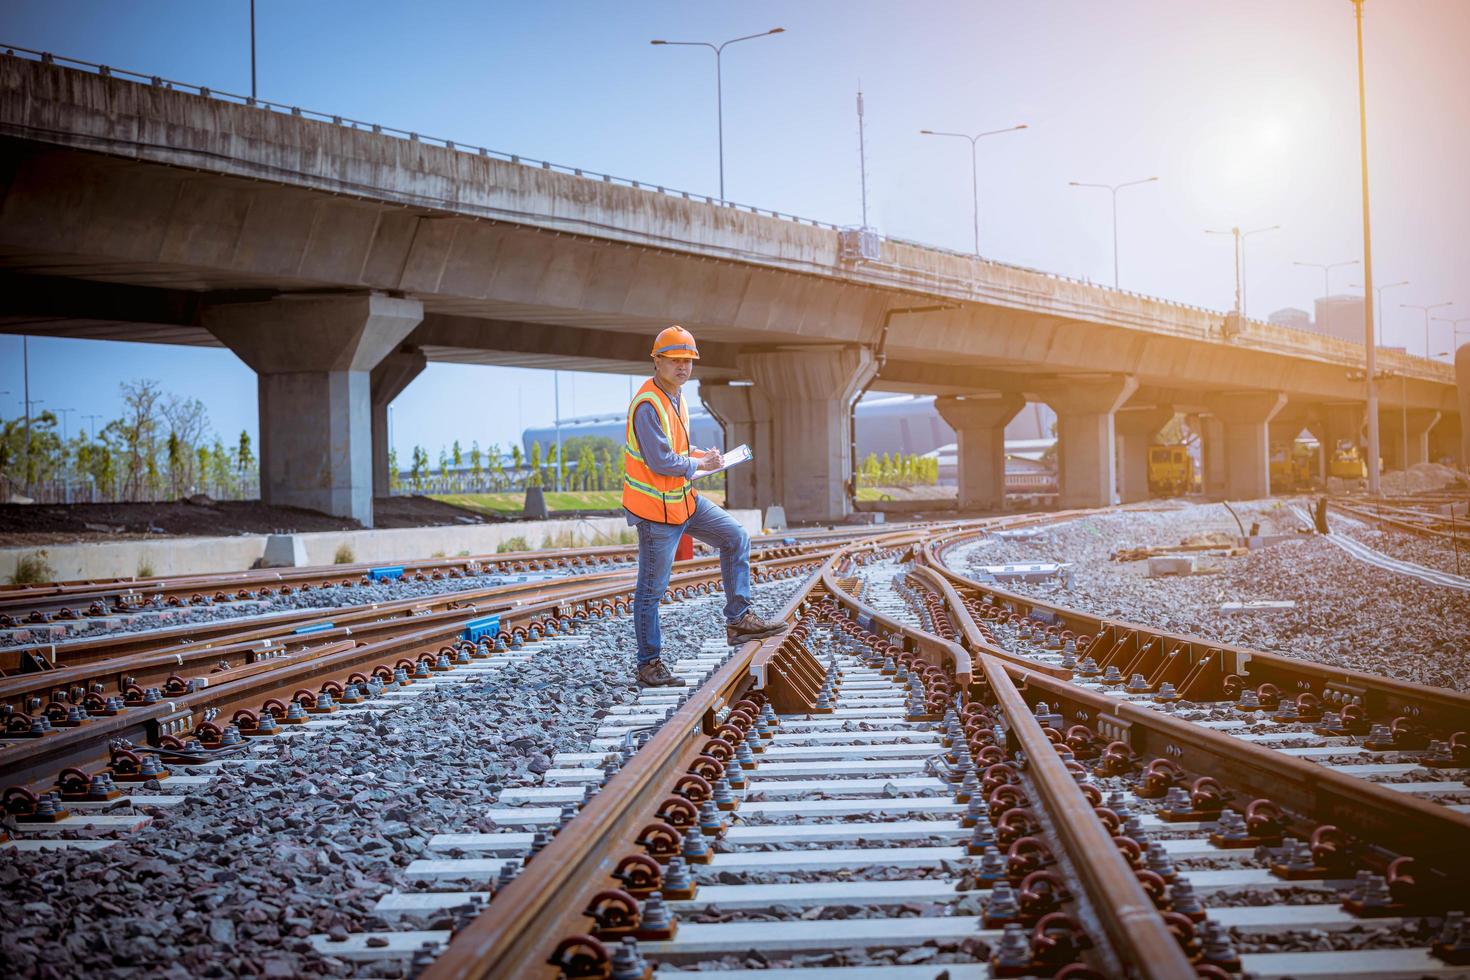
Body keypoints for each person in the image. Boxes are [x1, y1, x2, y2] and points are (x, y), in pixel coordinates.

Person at [623, 325, 787, 687]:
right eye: (676, 360)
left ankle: (739, 620)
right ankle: (649, 664)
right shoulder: (648, 404)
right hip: (655, 512)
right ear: (657, 361)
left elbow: (678, 450)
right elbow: (661, 462)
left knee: (735, 537)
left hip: (682, 501)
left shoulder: (676, 397)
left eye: (688, 360)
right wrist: (700, 465)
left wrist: (702, 456)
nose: (683, 367)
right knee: (651, 590)